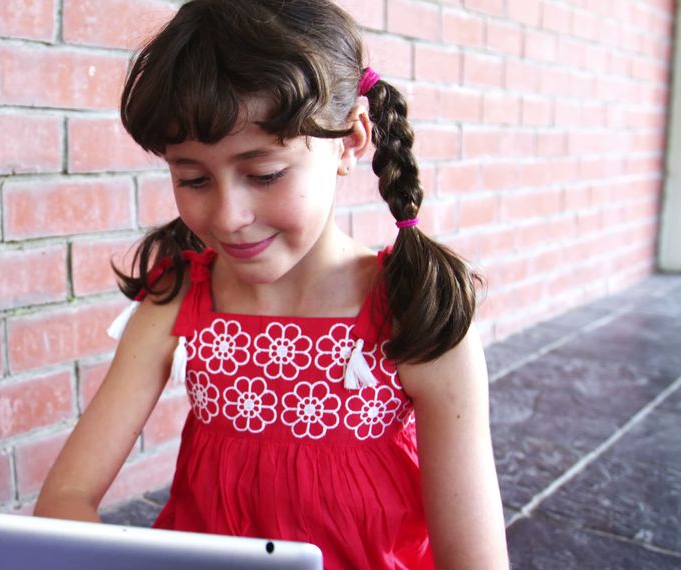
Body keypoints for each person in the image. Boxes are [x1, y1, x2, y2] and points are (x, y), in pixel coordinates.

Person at [34, 0, 509, 567]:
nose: (228, 216)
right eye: (192, 177)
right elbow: (66, 495)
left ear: (351, 140)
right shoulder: (178, 298)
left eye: (264, 174)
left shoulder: (416, 316)